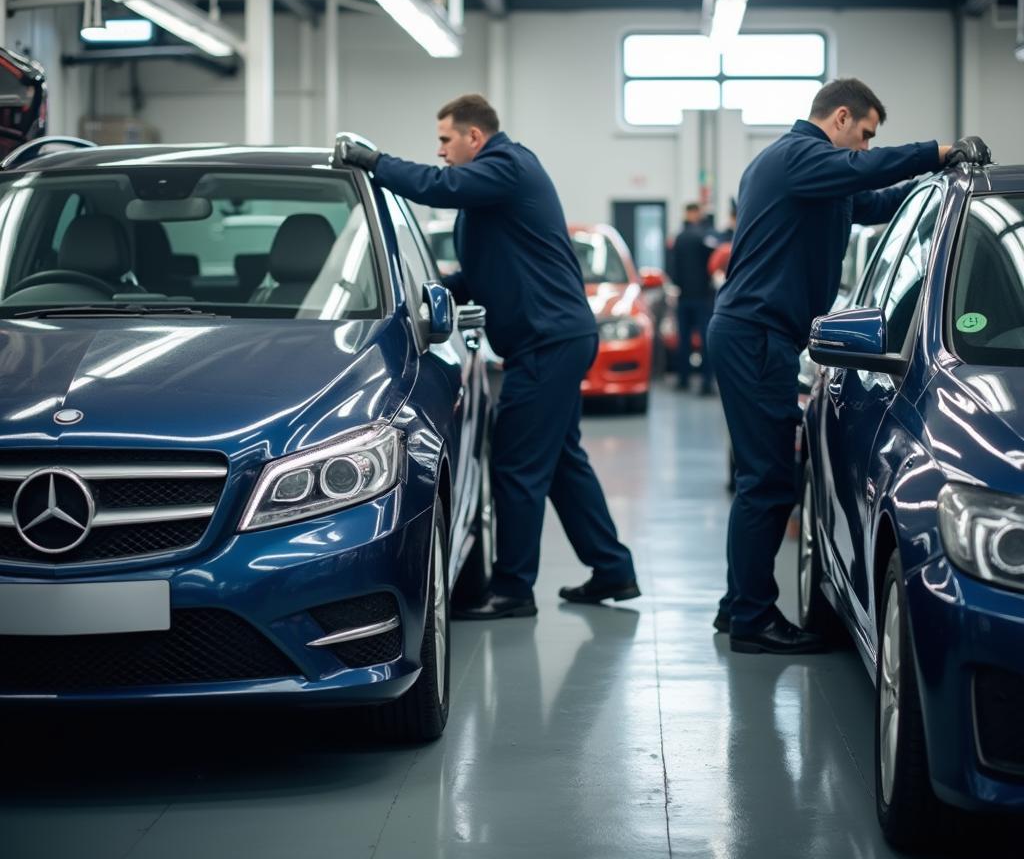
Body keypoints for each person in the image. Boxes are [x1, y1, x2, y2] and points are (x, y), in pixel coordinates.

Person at [706, 77, 988, 655]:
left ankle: (739, 604)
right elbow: (864, 173)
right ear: (839, 118)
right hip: (758, 336)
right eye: (862, 135)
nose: (863, 147)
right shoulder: (796, 159)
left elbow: (871, 200)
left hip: (754, 334)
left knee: (760, 480)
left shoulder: (810, 175)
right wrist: (937, 151)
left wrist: (931, 185)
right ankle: (753, 619)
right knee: (767, 482)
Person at [336, 94, 639, 620]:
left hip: (548, 342)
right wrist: (428, 292)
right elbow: (481, 274)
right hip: (554, 338)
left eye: (446, 140)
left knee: (516, 465)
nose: (441, 151)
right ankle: (612, 569)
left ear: (474, 137)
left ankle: (513, 590)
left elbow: (438, 188)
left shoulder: (507, 167)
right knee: (562, 462)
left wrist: (376, 163)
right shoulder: (497, 186)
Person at [669, 202, 717, 395]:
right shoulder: (704, 237)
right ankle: (706, 382)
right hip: (702, 297)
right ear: (696, 213)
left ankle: (683, 380)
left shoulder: (679, 238)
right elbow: (714, 264)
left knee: (684, 339)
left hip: (684, 296)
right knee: (705, 339)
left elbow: (672, 268)